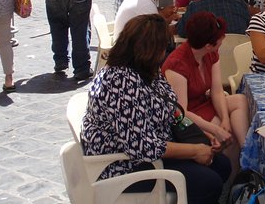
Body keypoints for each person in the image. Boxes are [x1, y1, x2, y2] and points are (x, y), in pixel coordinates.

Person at [82, 14, 231, 204]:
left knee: (222, 165)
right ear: (151, 50)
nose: (166, 53)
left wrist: (199, 135)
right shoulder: (120, 81)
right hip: (125, 166)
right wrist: (194, 150)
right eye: (164, 48)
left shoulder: (147, 71)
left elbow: (172, 110)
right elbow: (143, 146)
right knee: (208, 183)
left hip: (154, 150)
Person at [164, 11, 250, 149]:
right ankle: (237, 162)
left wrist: (225, 119)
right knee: (227, 131)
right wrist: (216, 128)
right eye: (221, 38)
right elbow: (181, 112)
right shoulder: (177, 65)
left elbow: (217, 91)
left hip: (203, 103)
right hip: (186, 116)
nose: (223, 39)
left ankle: (246, 149)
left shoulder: (210, 54)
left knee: (240, 100)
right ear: (208, 45)